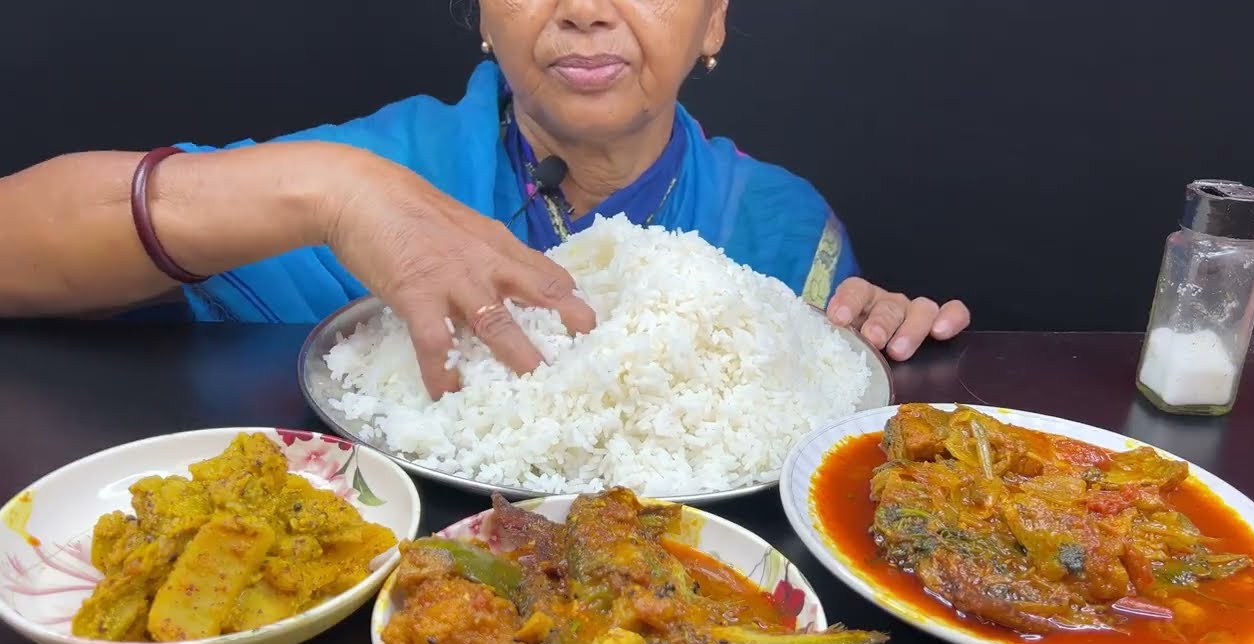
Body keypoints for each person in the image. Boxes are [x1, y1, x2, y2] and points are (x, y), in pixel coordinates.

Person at [0, 0, 968, 399]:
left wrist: (885, 338)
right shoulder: (378, 163)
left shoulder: (783, 222)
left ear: (715, 15)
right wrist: (336, 192)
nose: (585, 8)